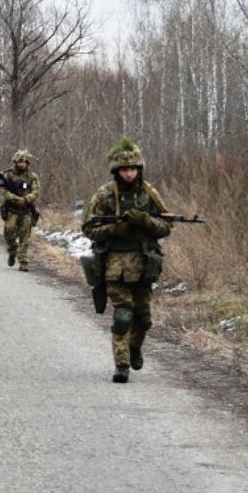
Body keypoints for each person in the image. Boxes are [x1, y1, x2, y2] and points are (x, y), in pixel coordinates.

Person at [81, 138, 171, 384]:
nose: (129, 173)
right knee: (123, 316)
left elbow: (166, 226)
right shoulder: (105, 194)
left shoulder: (149, 193)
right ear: (116, 171)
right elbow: (88, 228)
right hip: (114, 266)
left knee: (144, 319)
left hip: (144, 265)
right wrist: (114, 229)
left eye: (133, 169)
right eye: (124, 169)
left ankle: (134, 348)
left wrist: (145, 221)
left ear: (139, 169)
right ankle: (121, 365)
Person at [0, 150, 40, 272]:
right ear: (16, 161)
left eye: (24, 162)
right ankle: (12, 250)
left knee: (25, 235)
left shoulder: (32, 176)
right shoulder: (8, 175)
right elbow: (4, 192)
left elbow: (36, 191)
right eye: (20, 161)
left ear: (28, 163)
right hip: (12, 209)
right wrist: (16, 199)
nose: (22, 164)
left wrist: (26, 199)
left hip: (26, 209)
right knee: (9, 233)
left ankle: (23, 261)